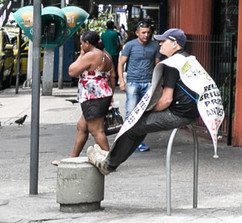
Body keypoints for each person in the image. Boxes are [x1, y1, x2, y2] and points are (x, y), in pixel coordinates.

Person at [87, 28, 224, 176]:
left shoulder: (173, 64)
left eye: (164, 41)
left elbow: (166, 100)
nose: (160, 44)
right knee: (140, 126)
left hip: (178, 114)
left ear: (174, 44)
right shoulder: (188, 59)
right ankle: (111, 158)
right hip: (191, 113)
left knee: (133, 125)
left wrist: (146, 110)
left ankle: (108, 164)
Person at [56, 30, 114, 166]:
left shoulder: (92, 55)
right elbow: (112, 76)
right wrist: (111, 95)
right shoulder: (106, 54)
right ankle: (72, 158)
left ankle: (110, 162)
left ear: (88, 43)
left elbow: (71, 71)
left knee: (97, 130)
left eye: (82, 43)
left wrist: (81, 55)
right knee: (82, 127)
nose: (81, 46)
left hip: (94, 96)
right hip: (101, 94)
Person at [118, 20, 157, 151]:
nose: (146, 35)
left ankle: (138, 142)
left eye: (148, 32)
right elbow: (121, 63)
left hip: (148, 83)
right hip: (133, 82)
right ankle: (125, 141)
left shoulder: (154, 46)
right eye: (143, 32)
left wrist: (157, 84)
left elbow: (158, 65)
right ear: (137, 33)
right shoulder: (130, 45)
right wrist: (121, 81)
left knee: (143, 114)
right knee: (131, 111)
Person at [100, 20, 122, 87]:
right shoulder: (114, 34)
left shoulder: (103, 34)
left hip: (105, 53)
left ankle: (106, 80)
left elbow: (101, 44)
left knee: (106, 67)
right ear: (112, 26)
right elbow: (118, 43)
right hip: (114, 53)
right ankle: (114, 81)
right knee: (114, 67)